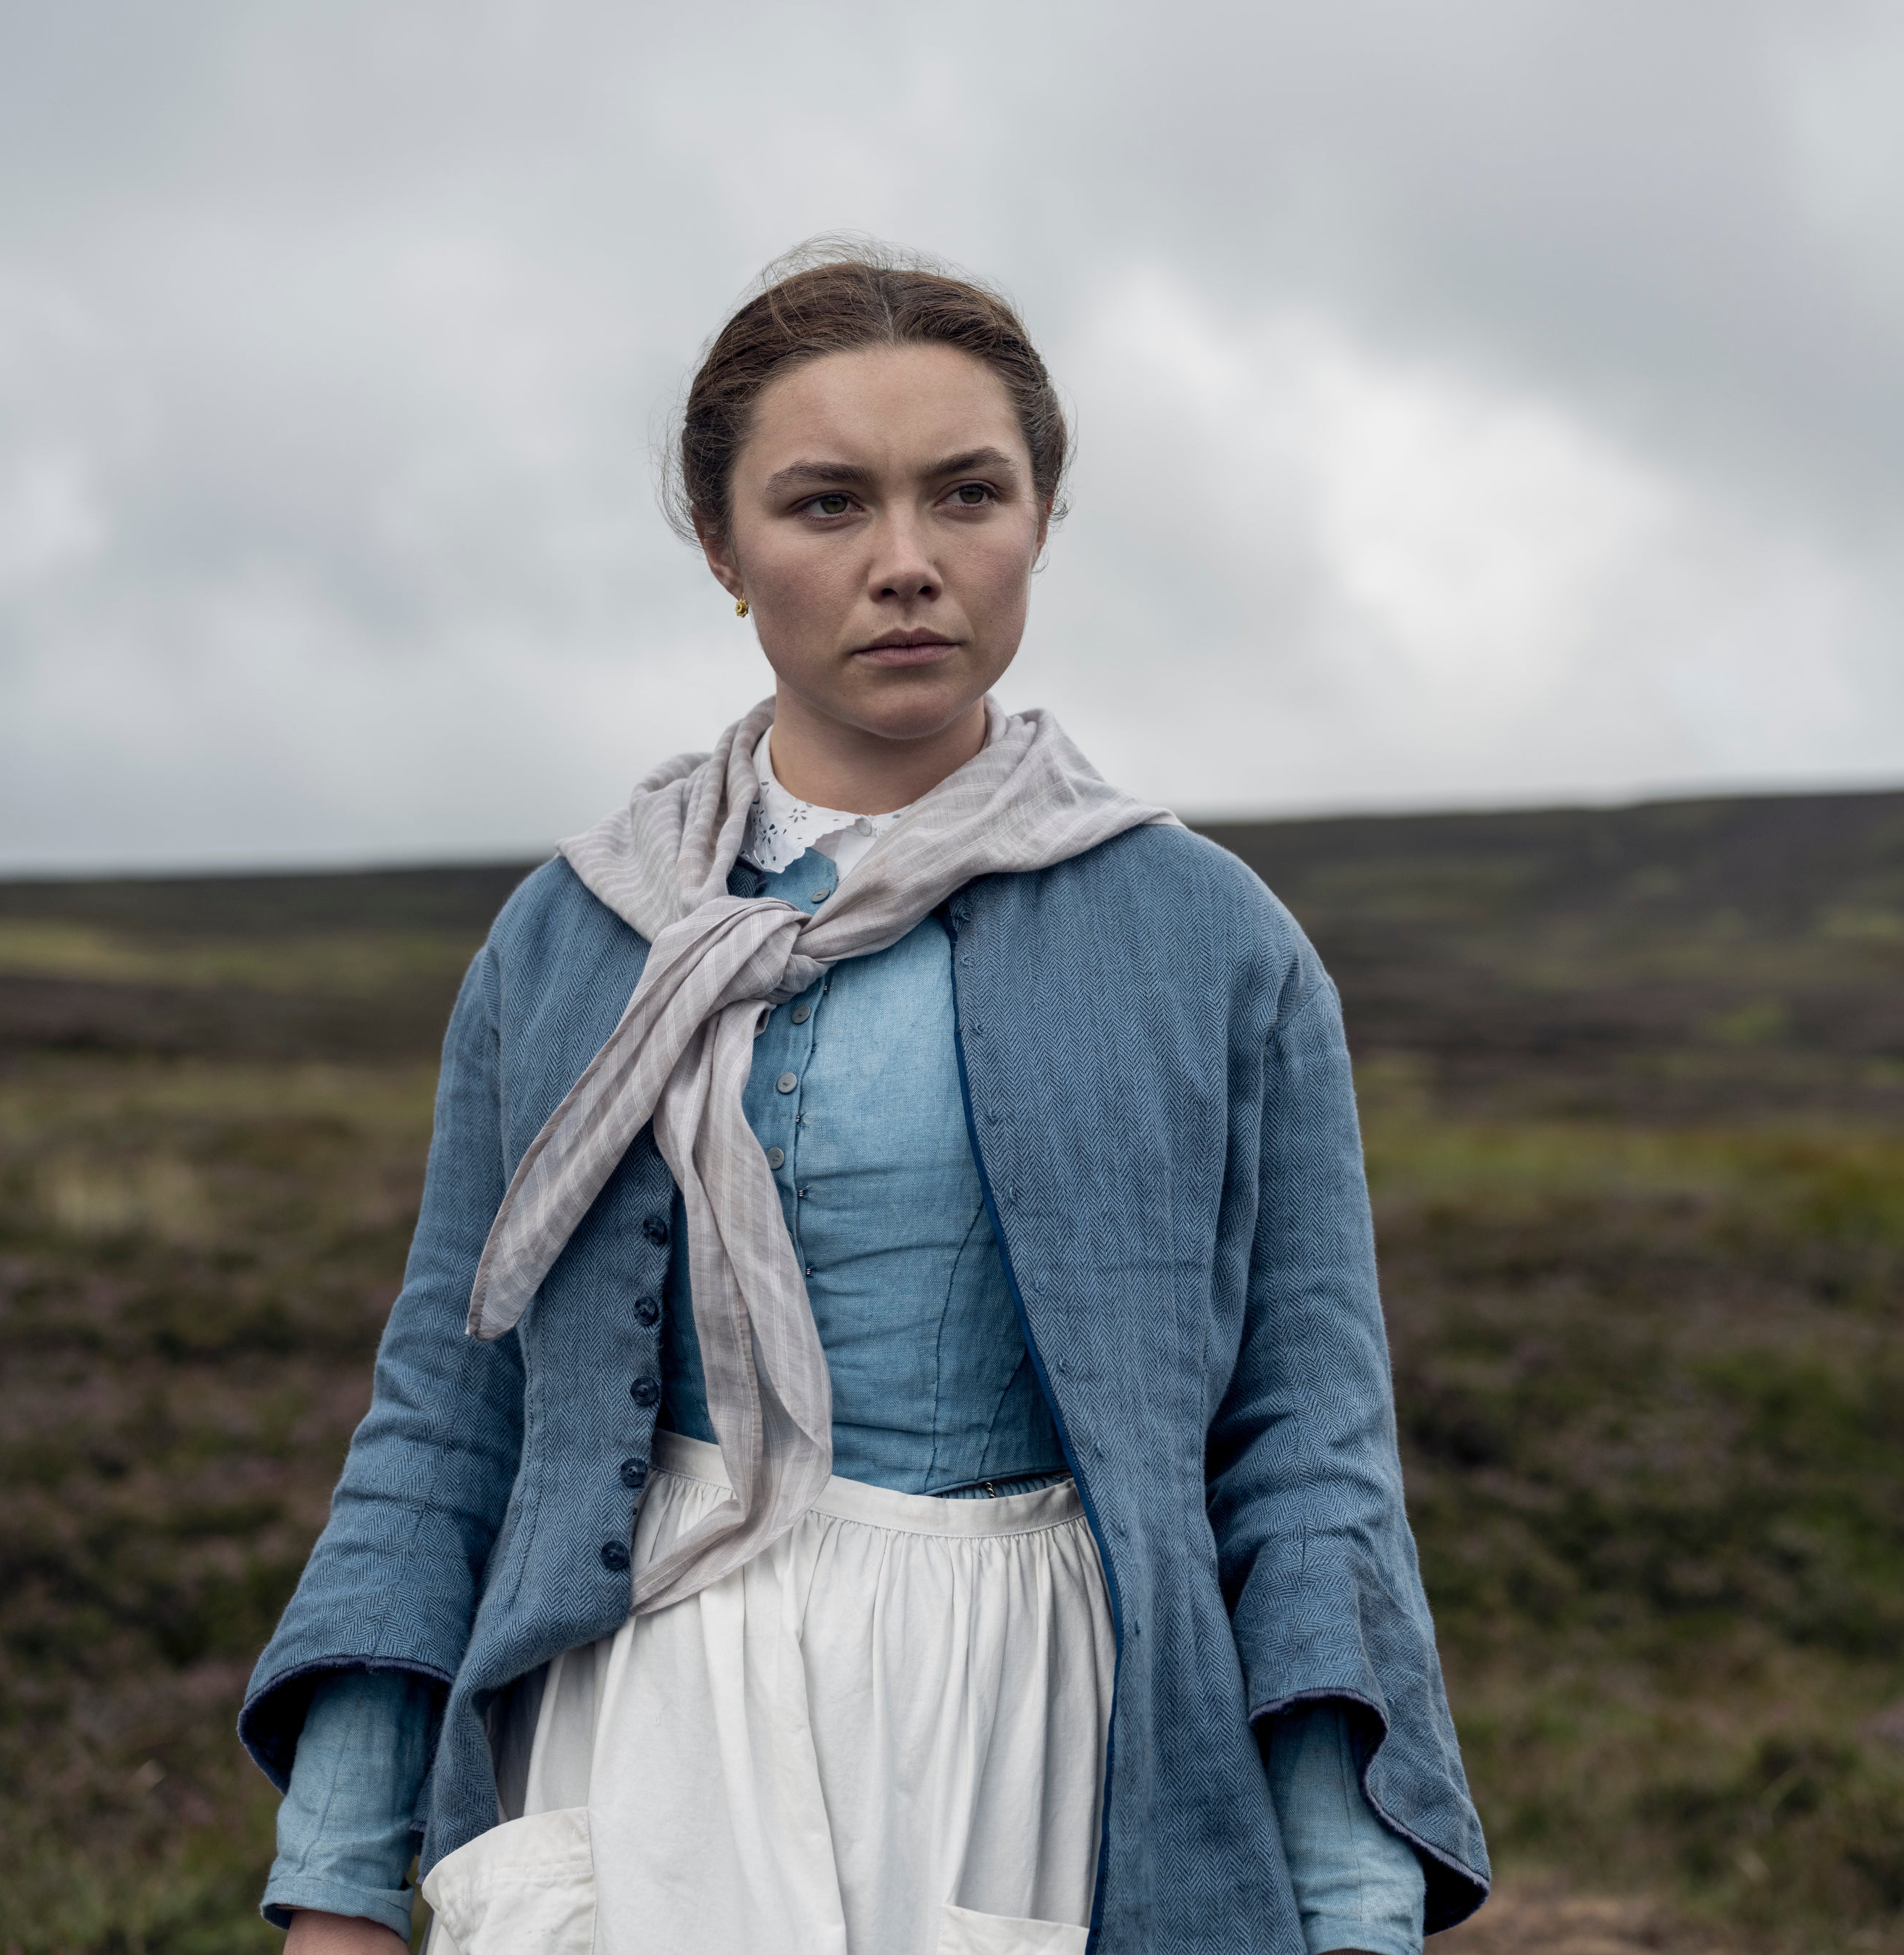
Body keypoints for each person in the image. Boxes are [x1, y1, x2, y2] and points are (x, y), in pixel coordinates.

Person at [238, 243, 1489, 1955]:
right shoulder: (574, 936)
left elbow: (1309, 1461)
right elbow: (452, 1419)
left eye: (965, 494)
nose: (907, 565)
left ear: (1042, 516)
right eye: (827, 505)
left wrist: (1353, 1910)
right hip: (640, 1714)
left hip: (1034, 1734)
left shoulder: (1210, 945)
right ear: (722, 550)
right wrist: (338, 1879)